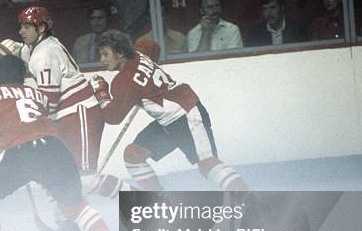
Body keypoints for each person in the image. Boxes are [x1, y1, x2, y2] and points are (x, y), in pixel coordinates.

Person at [0, 55, 131, 231]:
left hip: (19, 152)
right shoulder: (38, 95)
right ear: (24, 76)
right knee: (75, 205)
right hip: (55, 148)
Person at [0, 6, 132, 231]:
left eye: (27, 26)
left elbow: (48, 102)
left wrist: (23, 128)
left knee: (84, 180)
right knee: (56, 176)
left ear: (41, 27)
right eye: (20, 26)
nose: (21, 30)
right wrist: (11, 50)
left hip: (78, 113)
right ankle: (68, 230)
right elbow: (27, 56)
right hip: (66, 117)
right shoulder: (41, 47)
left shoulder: (43, 55)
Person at [93, 30, 248, 198]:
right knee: (134, 155)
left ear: (120, 53)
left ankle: (251, 204)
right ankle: (159, 201)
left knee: (207, 165)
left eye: (105, 54)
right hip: (168, 120)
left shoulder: (123, 81)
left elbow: (113, 117)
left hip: (186, 113)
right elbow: (154, 46)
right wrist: (147, 80)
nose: (102, 60)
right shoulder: (140, 50)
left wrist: (102, 94)